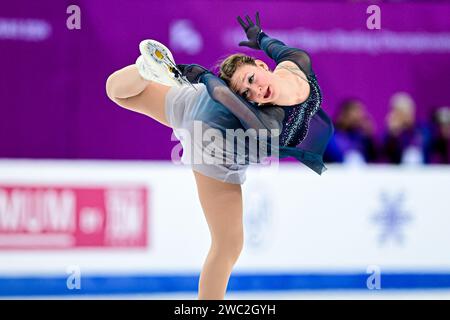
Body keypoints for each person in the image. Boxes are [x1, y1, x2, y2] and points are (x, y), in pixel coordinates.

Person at [218, 13, 334, 172]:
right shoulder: (271, 115)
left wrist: (259, 37)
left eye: (251, 79)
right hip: (271, 164)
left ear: (262, 65)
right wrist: (204, 77)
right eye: (246, 93)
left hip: (321, 138)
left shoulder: (296, 61)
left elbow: (271, 45)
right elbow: (220, 94)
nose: (255, 91)